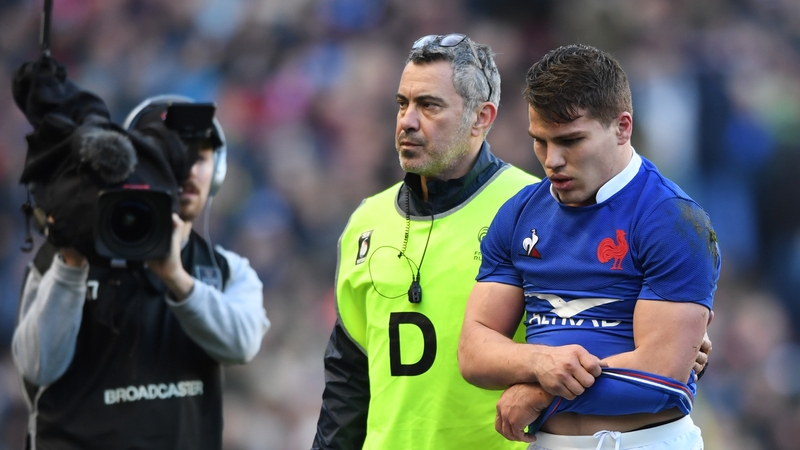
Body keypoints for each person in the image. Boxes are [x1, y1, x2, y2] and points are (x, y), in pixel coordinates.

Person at [457, 44, 720, 450]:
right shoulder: (519, 214)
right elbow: (474, 351)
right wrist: (540, 364)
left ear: (622, 127)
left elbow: (659, 376)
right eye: (540, 142)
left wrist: (543, 394)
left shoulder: (674, 220)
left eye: (571, 141)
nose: (552, 160)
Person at [311, 34, 540, 449]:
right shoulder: (366, 221)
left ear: (481, 118)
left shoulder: (534, 210)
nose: (408, 121)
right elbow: (348, 381)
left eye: (429, 105)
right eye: (402, 104)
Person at [12, 90, 270, 448]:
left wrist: (175, 277)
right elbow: (38, 367)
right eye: (173, 156)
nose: (188, 171)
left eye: (201, 157)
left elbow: (241, 346)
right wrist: (72, 265)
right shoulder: (65, 258)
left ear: (218, 171)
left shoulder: (225, 268)